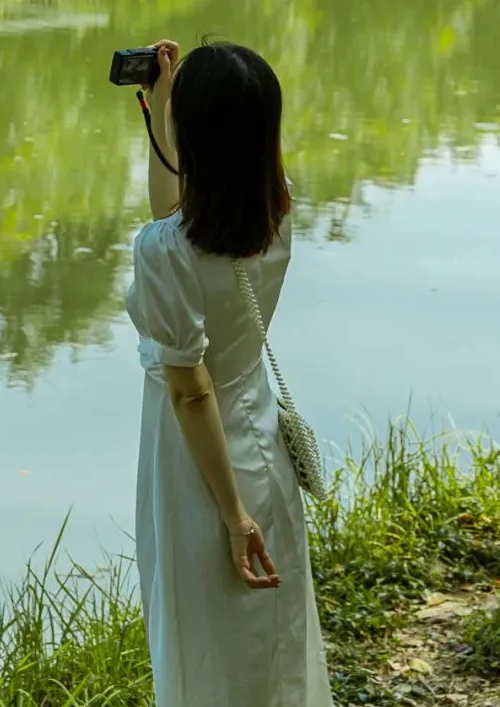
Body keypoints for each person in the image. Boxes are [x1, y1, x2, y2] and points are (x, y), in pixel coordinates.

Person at [125, 37, 333, 707]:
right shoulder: (276, 211)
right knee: (267, 638)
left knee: (203, 639)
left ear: (198, 137)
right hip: (259, 438)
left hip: (199, 463)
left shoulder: (165, 254)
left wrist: (232, 515)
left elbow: (190, 390)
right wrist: (161, 119)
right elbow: (177, 217)